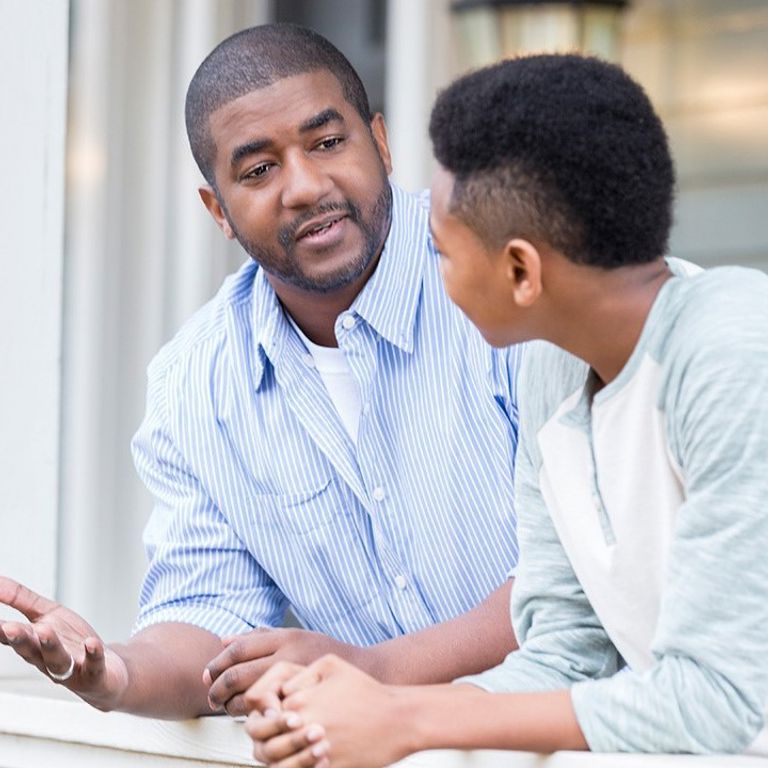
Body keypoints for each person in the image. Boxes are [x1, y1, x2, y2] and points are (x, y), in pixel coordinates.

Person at [242, 53, 768, 767]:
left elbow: (722, 702)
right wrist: (353, 714)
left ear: (521, 270)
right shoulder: (556, 365)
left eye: (441, 252)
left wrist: (410, 717)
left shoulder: (735, 350)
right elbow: (567, 655)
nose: (434, 277)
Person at [0, 24, 523, 719]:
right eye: (258, 171)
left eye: (327, 142)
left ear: (381, 142)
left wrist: (376, 671)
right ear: (217, 210)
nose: (304, 187)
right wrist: (116, 674)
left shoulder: (510, 270)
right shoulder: (195, 385)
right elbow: (209, 619)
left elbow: (585, 569)